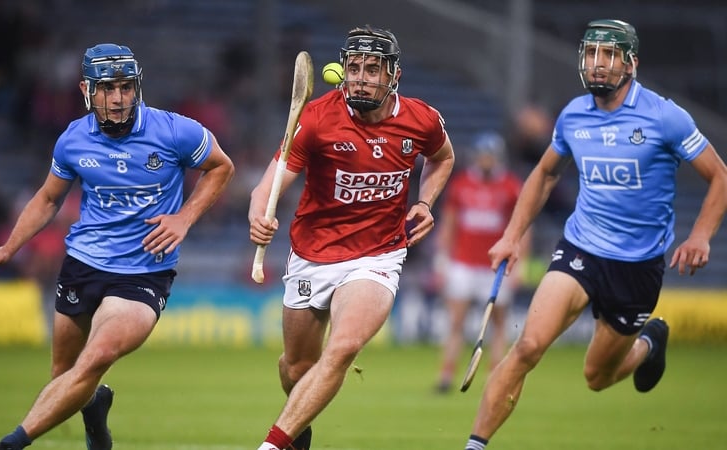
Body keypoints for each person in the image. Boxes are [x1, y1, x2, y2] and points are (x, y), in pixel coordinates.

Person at [463, 19, 727, 449]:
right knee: (528, 345)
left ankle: (647, 344)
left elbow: (720, 176)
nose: (597, 64)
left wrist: (700, 236)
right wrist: (512, 235)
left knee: (597, 377)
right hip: (581, 248)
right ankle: (475, 445)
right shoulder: (573, 115)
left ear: (631, 64)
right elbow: (545, 174)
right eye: (591, 54)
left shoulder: (664, 116)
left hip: (637, 267)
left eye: (609, 55)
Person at [0, 43, 235, 450]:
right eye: (106, 89)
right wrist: (8, 248)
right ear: (86, 89)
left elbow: (222, 166)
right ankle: (94, 409)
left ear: (137, 88)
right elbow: (48, 199)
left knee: (96, 357)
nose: (117, 99)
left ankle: (11, 443)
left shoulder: (173, 130)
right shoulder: (73, 140)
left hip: (143, 274)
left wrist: (184, 218)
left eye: (125, 87)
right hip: (83, 264)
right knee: (65, 374)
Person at [248, 25, 455, 450]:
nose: (360, 77)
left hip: (375, 257)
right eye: (354, 68)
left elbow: (443, 157)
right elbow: (265, 188)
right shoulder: (317, 119)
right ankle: (297, 433)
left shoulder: (422, 120)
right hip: (312, 254)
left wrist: (426, 201)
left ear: (393, 75)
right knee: (296, 367)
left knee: (342, 349)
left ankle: (269, 446)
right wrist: (258, 217)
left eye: (372, 69)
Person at [433, 131, 526, 394]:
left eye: (490, 156)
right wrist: (442, 259)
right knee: (455, 323)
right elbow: (449, 224)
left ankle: (494, 377)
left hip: (495, 267)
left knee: (498, 325)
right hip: (462, 263)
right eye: (483, 155)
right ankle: (446, 375)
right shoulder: (461, 184)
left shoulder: (510, 185)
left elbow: (522, 227)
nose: (486, 160)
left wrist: (519, 263)